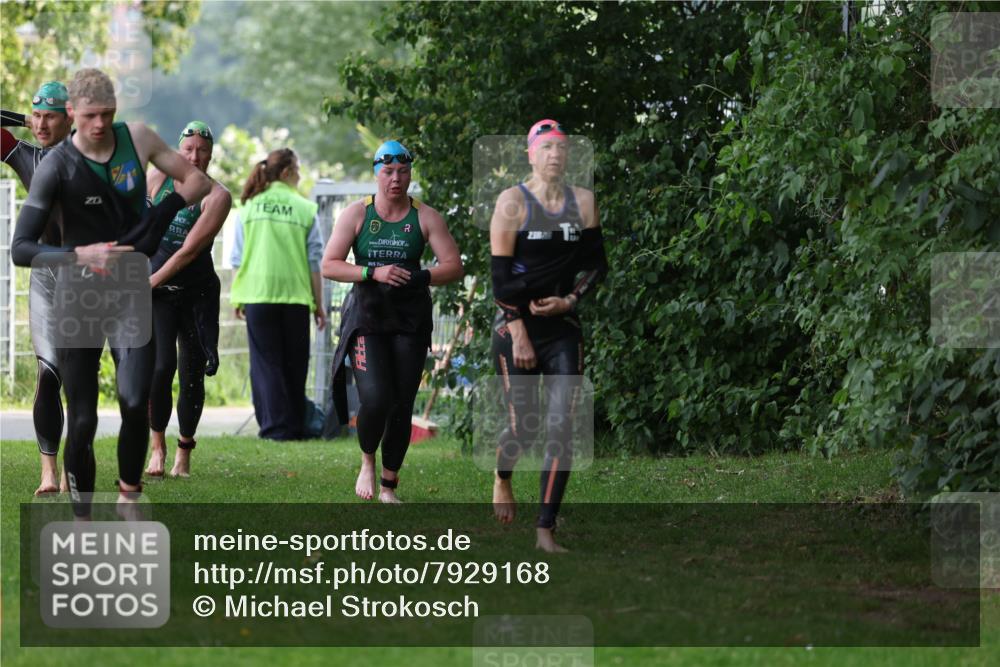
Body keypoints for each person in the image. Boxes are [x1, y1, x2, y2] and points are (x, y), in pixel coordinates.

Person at [11, 68, 212, 518]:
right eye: (89, 116)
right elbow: (21, 249)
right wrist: (78, 255)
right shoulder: (56, 166)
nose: (100, 125)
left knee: (136, 398)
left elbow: (197, 181)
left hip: (128, 291)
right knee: (83, 419)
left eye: (107, 114)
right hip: (76, 297)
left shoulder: (138, 139)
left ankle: (128, 495)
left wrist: (160, 216)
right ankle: (82, 516)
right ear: (72, 114)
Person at [322, 140, 463, 503]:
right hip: (367, 318)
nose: (396, 179)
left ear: (410, 174)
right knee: (375, 398)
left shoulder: (425, 217)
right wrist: (374, 271)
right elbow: (330, 264)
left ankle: (389, 486)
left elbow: (453, 266)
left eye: (402, 172)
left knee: (402, 402)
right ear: (376, 174)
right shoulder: (357, 214)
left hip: (410, 320)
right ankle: (367, 460)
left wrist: (420, 277)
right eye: (388, 172)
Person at [489, 120, 607, 552]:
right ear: (530, 154)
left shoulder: (584, 202)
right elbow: (500, 281)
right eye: (547, 148)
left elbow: (597, 266)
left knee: (562, 427)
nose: (555, 155)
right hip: (513, 326)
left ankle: (545, 529)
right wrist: (518, 332)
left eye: (562, 148)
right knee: (525, 428)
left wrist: (570, 300)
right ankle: (503, 477)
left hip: (561, 328)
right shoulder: (511, 203)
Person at [144, 121, 232, 478]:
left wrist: (144, 282)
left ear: (211, 154)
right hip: (159, 294)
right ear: (178, 151)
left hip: (196, 294)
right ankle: (157, 449)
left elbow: (186, 253)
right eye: (189, 149)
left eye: (203, 151)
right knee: (161, 368)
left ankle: (184, 450)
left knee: (192, 374)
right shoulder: (157, 179)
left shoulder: (217, 196)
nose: (195, 156)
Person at [1, 81, 73, 495]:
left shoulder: (90, 156)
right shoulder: (26, 155)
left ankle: (73, 467)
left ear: (68, 119)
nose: (42, 124)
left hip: (87, 276)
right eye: (37, 116)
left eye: (51, 116)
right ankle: (48, 471)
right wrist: (20, 118)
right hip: (45, 274)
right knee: (48, 374)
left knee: (78, 378)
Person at [230, 148, 326, 441]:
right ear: (286, 172)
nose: (300, 176)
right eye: (298, 170)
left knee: (266, 364)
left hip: (257, 296)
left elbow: (237, 258)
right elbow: (314, 261)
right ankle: (293, 427)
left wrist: (238, 296)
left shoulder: (248, 208)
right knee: (296, 364)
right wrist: (318, 304)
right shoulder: (305, 208)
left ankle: (274, 428)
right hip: (295, 296)